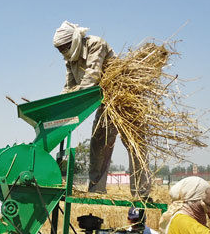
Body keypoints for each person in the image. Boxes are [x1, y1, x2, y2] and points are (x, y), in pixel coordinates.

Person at [53, 20, 152, 197]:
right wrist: (56, 107)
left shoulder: (95, 44)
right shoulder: (71, 59)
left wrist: (74, 99)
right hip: (105, 102)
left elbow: (92, 78)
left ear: (73, 40)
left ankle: (141, 193)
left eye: (64, 48)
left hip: (123, 98)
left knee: (134, 144)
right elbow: (69, 86)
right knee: (98, 143)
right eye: (60, 50)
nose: (63, 53)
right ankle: (96, 190)